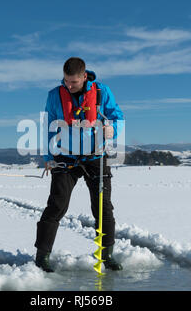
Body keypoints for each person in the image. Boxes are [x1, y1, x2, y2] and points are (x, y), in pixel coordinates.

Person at [34, 57, 124, 272]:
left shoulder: (102, 92)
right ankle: (42, 256)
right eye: (66, 81)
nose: (69, 85)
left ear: (84, 77)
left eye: (73, 82)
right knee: (56, 205)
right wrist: (48, 157)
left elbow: (116, 116)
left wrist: (113, 129)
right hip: (66, 158)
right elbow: (49, 127)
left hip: (96, 157)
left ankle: (107, 255)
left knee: (103, 208)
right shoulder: (54, 95)